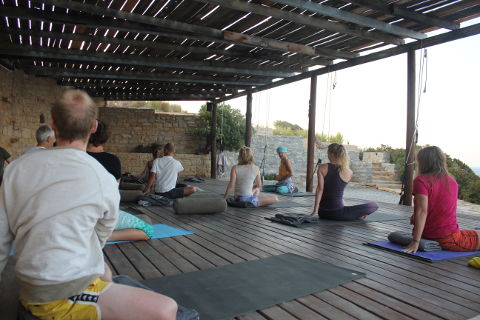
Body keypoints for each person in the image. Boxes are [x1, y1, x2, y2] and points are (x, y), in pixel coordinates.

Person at [0, 89, 177, 320]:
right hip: (58, 296)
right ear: (93, 127)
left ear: (53, 126)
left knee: (104, 272)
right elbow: (103, 233)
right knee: (168, 310)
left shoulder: (16, 169)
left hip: (32, 285)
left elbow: (2, 237)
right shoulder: (103, 177)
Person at [403, 146, 480, 253]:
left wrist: (415, 219)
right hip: (447, 238)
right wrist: (416, 241)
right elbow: (423, 211)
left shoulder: (421, 180)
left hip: (433, 235)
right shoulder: (452, 182)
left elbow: (425, 209)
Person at [311, 143, 378, 220]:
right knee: (374, 205)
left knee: (348, 210)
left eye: (328, 153)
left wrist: (315, 211)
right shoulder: (349, 172)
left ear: (331, 154)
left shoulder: (322, 168)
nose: (327, 156)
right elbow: (338, 192)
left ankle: (354, 215)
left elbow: (320, 190)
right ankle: (355, 215)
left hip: (322, 213)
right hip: (337, 213)